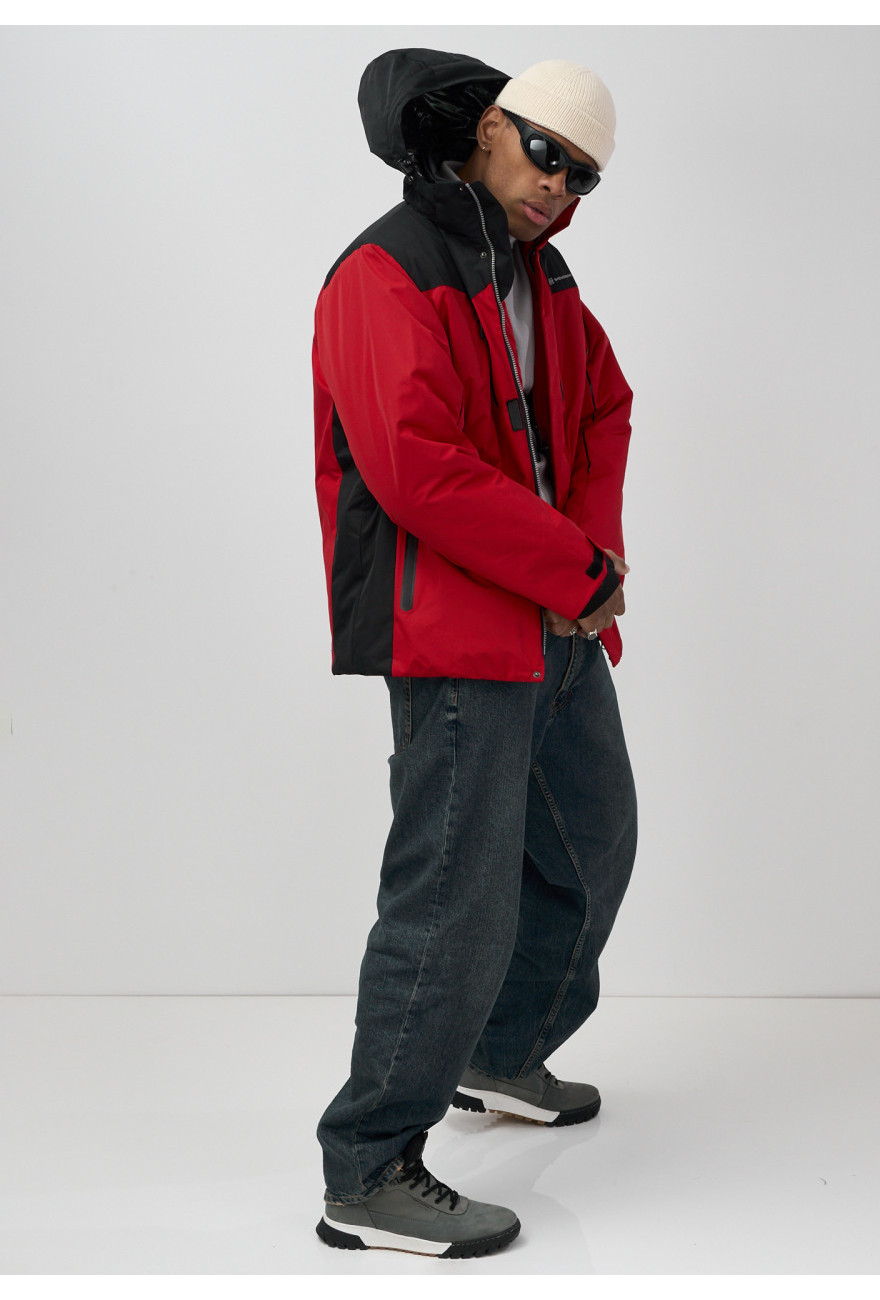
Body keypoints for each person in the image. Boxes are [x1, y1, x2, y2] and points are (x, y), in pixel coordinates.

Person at [311, 48, 638, 1259]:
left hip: (555, 619)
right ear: (491, 128)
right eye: (548, 153)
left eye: (583, 175)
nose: (559, 185)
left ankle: (504, 1050)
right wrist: (574, 570)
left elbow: (603, 405)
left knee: (593, 841)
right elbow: (415, 468)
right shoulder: (386, 270)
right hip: (452, 631)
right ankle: (367, 1167)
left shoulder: (542, 279)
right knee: (453, 896)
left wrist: (586, 565)